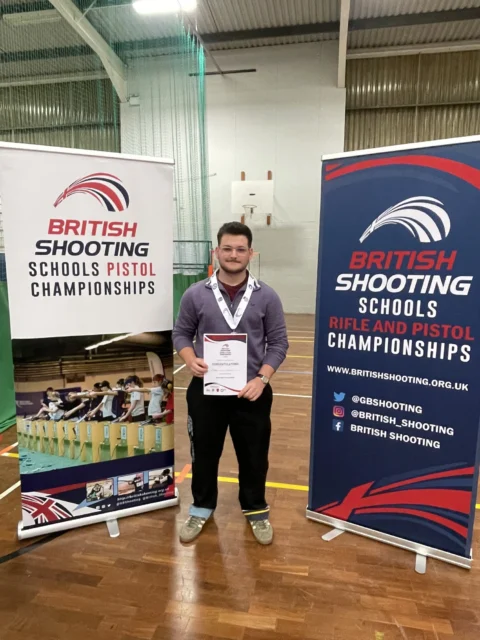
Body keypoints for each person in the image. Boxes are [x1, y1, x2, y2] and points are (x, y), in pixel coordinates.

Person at [173, 221, 288, 545]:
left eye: (240, 249)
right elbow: (181, 333)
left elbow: (279, 342)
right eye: (227, 248)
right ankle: (201, 506)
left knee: (254, 456)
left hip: (251, 392)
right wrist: (188, 358)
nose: (234, 255)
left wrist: (262, 379)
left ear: (251, 253)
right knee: (204, 454)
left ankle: (256, 510)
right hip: (206, 391)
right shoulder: (196, 294)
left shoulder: (267, 296)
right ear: (216, 251)